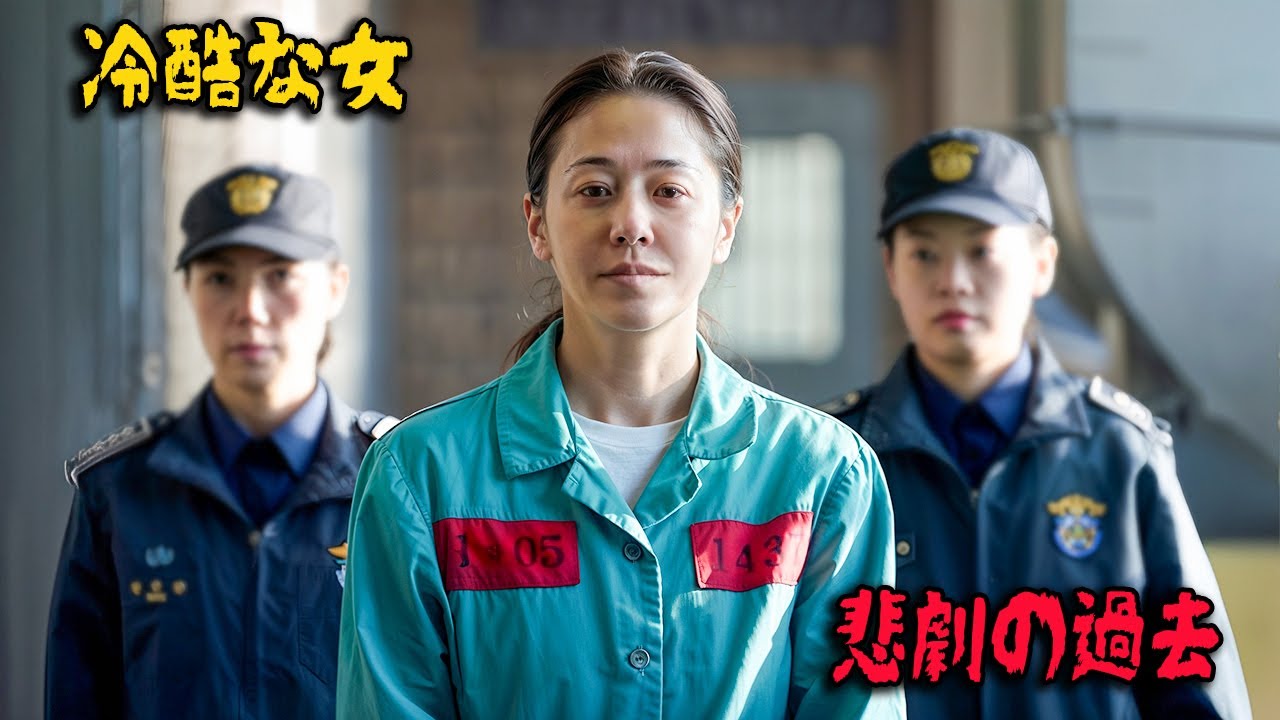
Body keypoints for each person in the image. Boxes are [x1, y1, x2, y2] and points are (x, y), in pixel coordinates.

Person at [337, 50, 903, 719]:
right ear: (537, 224)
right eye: (595, 190)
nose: (630, 224)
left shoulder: (823, 474)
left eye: (669, 191)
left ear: (725, 226)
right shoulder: (420, 473)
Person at [820, 127, 1250, 718]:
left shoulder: (1121, 455)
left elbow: (1195, 686)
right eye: (924, 254)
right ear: (891, 269)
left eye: (982, 251)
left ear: (1041, 264)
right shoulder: (839, 459)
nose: (954, 281)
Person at [45, 164, 396, 720]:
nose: (250, 310)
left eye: (280, 275)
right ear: (187, 289)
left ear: (335, 287)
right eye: (220, 278)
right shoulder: (118, 491)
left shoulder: (396, 480)